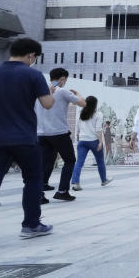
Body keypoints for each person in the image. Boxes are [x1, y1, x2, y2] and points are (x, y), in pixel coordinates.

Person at [0, 38, 55, 250]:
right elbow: (47, 104)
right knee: (33, 180)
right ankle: (31, 225)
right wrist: (51, 92)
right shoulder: (33, 75)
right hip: (24, 138)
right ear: (31, 56)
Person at [36, 67, 86, 202]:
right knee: (69, 160)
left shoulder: (39, 91)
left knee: (45, 162)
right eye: (65, 79)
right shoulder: (63, 91)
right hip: (59, 133)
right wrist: (79, 94)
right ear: (62, 78)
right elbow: (83, 104)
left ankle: (39, 193)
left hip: (41, 133)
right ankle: (62, 191)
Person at [71, 95, 112, 190]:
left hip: (82, 141)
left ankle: (75, 183)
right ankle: (104, 180)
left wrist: (78, 138)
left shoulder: (80, 113)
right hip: (93, 141)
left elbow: (77, 128)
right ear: (95, 104)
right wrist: (100, 142)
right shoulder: (98, 114)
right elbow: (98, 129)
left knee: (79, 163)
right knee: (100, 161)